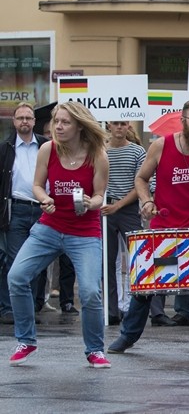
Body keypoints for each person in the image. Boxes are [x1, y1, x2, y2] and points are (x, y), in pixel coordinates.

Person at [107, 99, 189, 357]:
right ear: (183, 121)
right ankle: (128, 336)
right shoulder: (161, 145)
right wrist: (147, 200)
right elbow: (141, 178)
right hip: (163, 230)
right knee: (147, 287)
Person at [8, 102, 110, 367]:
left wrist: (92, 202)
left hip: (85, 232)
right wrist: (44, 199)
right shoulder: (47, 149)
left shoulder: (97, 155)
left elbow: (101, 195)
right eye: (56, 122)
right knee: (16, 277)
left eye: (65, 122)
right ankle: (26, 340)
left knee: (89, 292)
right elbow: (38, 186)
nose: (58, 127)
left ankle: (95, 350)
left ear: (79, 125)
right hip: (49, 227)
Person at [0, 103, 50, 325]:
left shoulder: (46, 145)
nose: (25, 122)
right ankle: (10, 309)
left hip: (43, 208)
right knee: (15, 261)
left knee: (37, 263)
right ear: (14, 121)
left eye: (28, 118)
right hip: (17, 209)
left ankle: (28, 310)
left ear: (33, 121)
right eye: (20, 118)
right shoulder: (5, 148)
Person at [101, 120, 146, 326]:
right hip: (105, 208)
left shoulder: (137, 151)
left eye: (123, 124)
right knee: (107, 262)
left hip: (127, 208)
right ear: (109, 125)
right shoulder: (100, 151)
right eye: (116, 124)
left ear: (128, 126)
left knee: (139, 258)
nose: (120, 127)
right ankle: (112, 309)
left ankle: (141, 308)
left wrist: (118, 205)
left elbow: (141, 184)